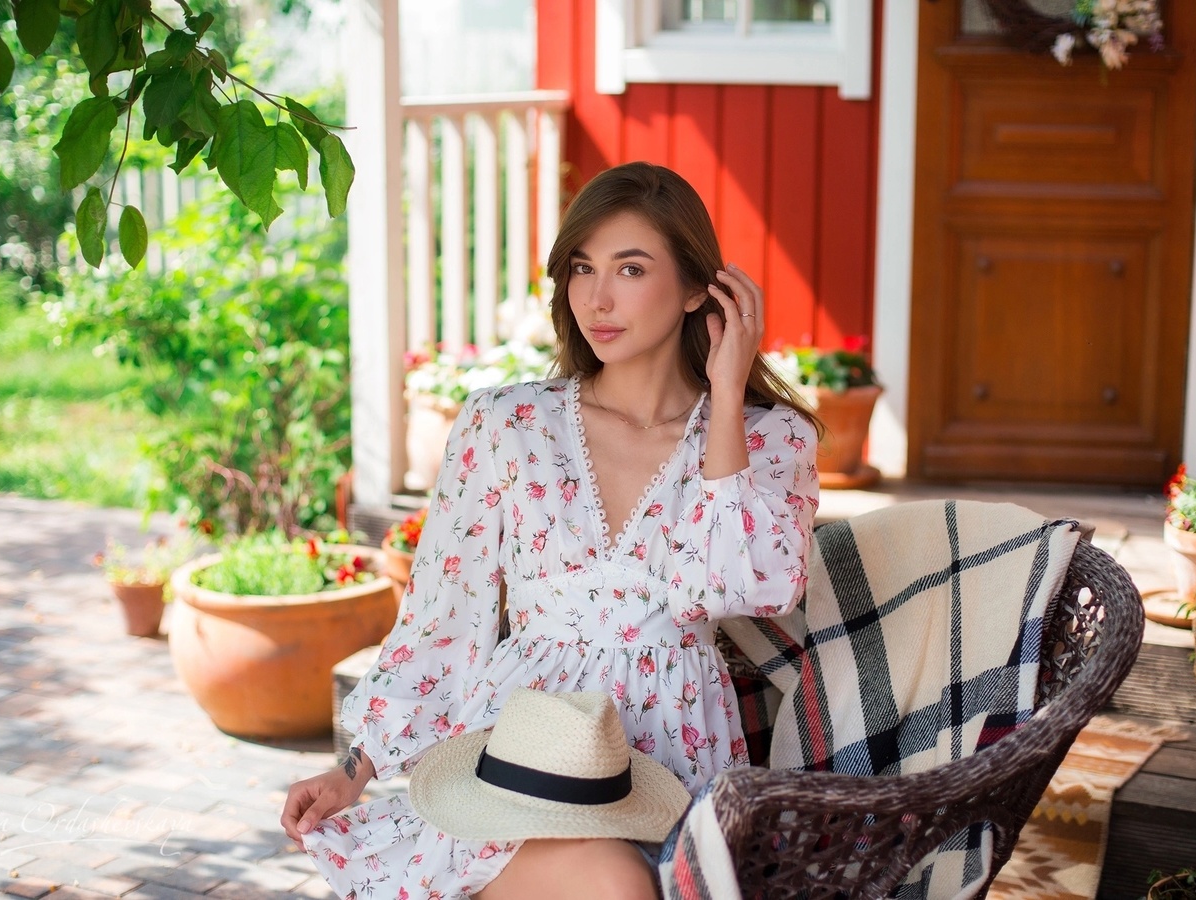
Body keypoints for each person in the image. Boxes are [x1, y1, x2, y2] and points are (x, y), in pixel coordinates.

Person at [280, 161, 821, 899]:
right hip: (519, 755)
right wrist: (353, 771)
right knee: (614, 887)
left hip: (674, 756)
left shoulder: (769, 436)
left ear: (700, 288)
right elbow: (442, 615)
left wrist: (727, 395)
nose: (597, 298)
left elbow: (743, 584)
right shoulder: (505, 424)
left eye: (631, 268)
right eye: (581, 268)